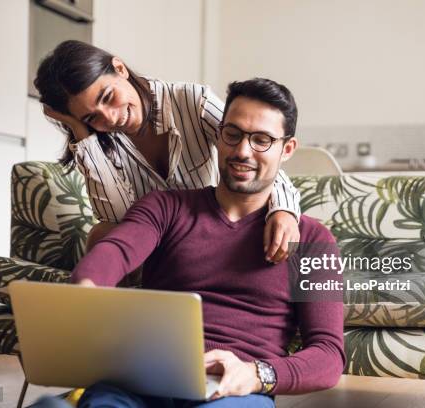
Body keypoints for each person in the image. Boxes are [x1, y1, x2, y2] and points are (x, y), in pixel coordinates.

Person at [66, 78, 345, 407]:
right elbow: (117, 249)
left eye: (262, 140)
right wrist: (86, 286)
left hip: (230, 390)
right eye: (233, 134)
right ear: (218, 134)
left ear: (286, 149)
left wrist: (257, 374)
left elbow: (328, 355)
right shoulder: (165, 207)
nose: (243, 151)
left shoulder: (314, 240)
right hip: (142, 379)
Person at [34, 40, 300, 264]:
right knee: (102, 235)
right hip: (155, 247)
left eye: (107, 97)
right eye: (91, 117)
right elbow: (117, 223)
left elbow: (253, 152)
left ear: (119, 68)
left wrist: (285, 211)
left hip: (212, 231)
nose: (111, 118)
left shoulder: (193, 102)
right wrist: (81, 132)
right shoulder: (101, 141)